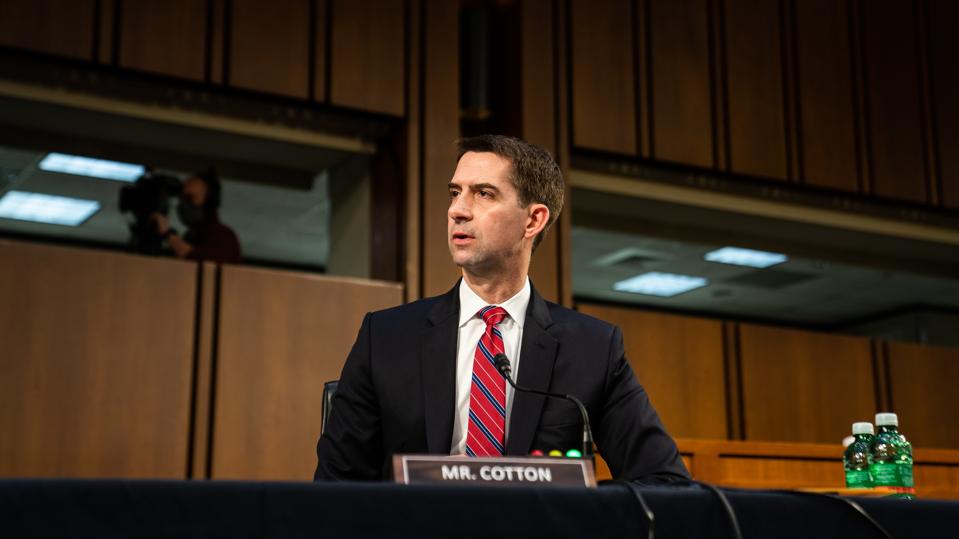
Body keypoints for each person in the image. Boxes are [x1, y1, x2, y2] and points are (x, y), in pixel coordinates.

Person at [315, 135, 689, 483]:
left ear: (533, 220)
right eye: (454, 192)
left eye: (484, 194)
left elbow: (664, 482)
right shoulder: (385, 338)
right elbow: (335, 485)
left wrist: (571, 496)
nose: (458, 211)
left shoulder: (593, 349)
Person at [152, 169, 241, 264]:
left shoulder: (224, 236)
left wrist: (168, 235)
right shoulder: (190, 237)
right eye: (182, 199)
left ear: (209, 203)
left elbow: (204, 264)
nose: (184, 204)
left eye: (190, 198)